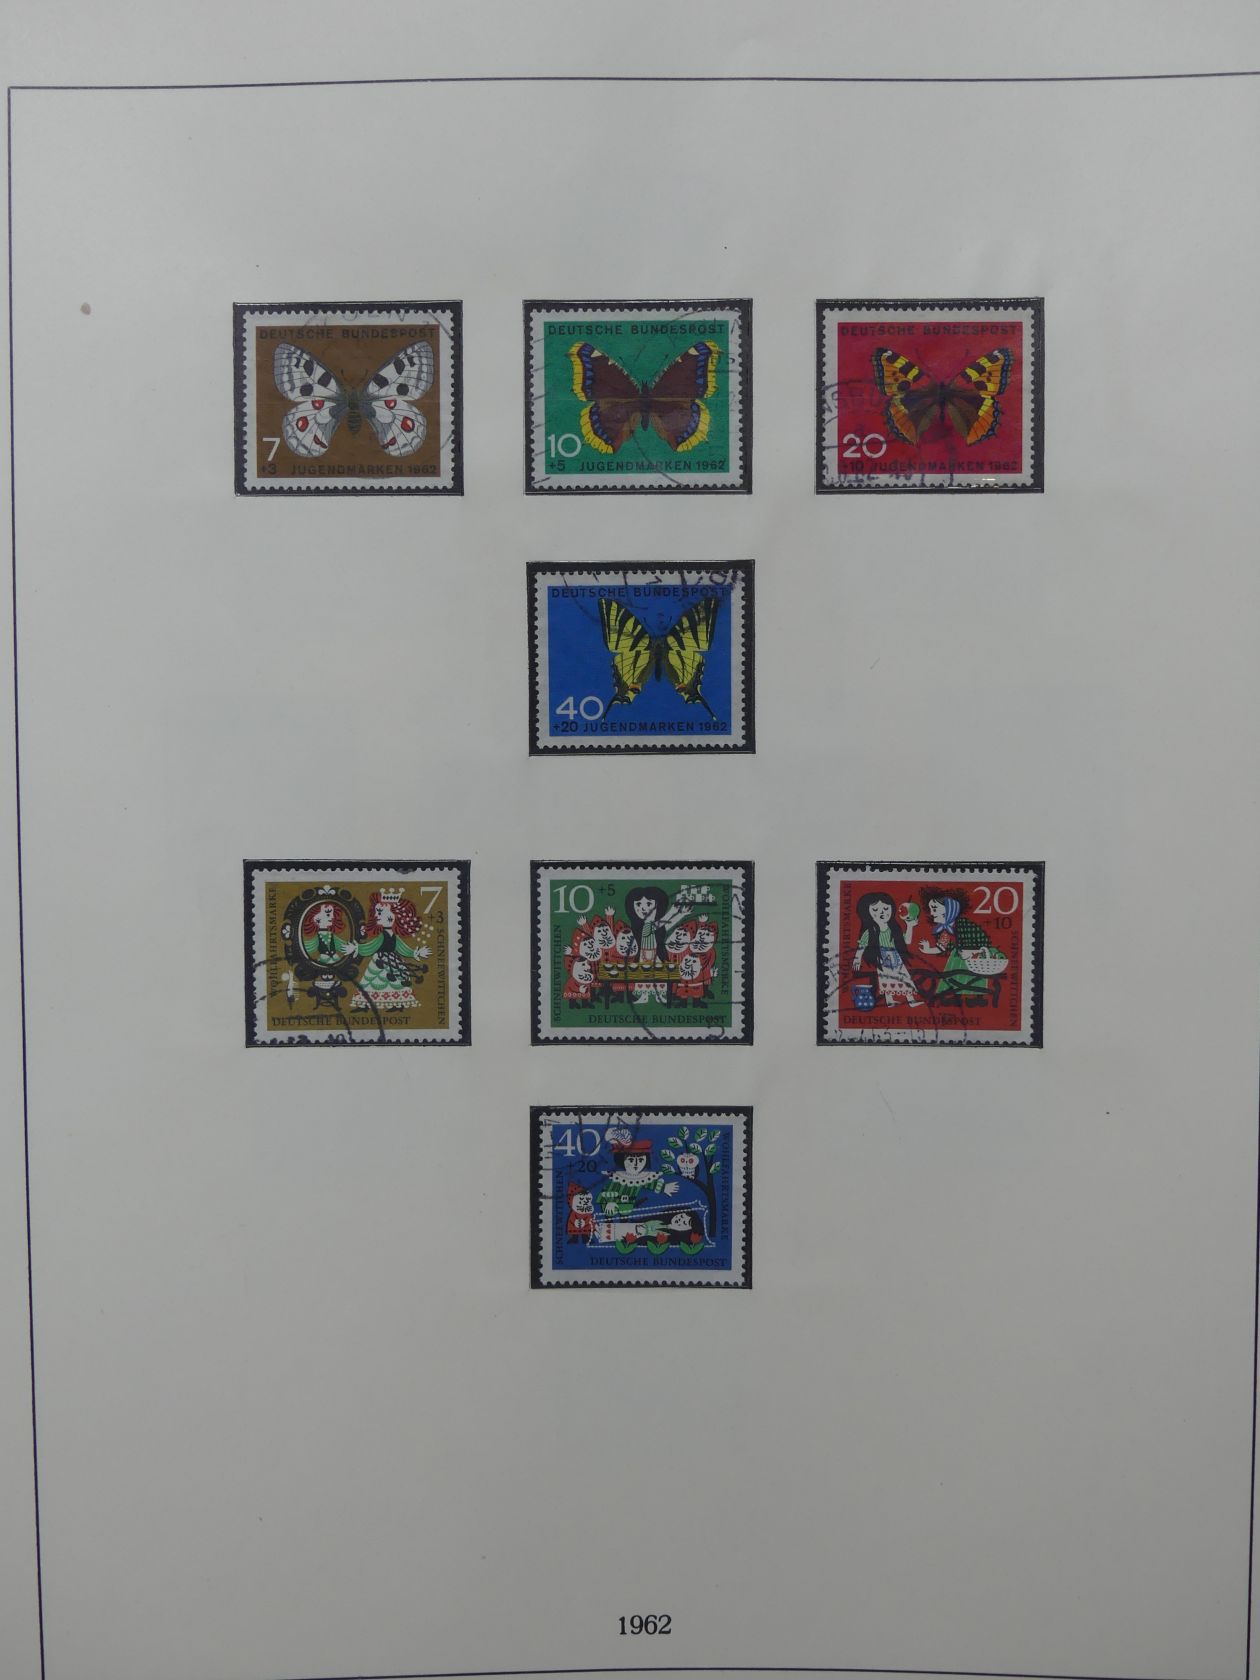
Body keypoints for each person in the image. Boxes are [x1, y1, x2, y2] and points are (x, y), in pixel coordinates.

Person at [352, 888, 430, 1010]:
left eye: (380, 912)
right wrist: (358, 948)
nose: (376, 916)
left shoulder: (391, 936)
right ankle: (368, 1005)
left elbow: (401, 948)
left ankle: (397, 1004)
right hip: (381, 961)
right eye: (376, 913)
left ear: (393, 916)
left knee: (397, 982)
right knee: (379, 982)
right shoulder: (383, 935)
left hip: (391, 961)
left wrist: (416, 952)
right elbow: (372, 946)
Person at [918, 889, 1001, 1001]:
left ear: (949, 910)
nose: (932, 913)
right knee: (952, 987)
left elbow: (984, 945)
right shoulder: (945, 930)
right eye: (931, 909)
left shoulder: (965, 925)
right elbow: (942, 947)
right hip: (955, 961)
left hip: (974, 962)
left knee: (972, 987)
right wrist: (927, 950)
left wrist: (972, 952)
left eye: (934, 909)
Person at [852, 891, 923, 1008]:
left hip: (896, 957)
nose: (882, 912)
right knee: (886, 979)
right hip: (882, 958)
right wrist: (857, 959)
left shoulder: (894, 928)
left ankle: (911, 1000)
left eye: (885, 909)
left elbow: (907, 941)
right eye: (875, 910)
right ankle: (889, 1001)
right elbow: (862, 945)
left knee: (904, 977)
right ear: (867, 913)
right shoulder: (870, 931)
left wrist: (909, 926)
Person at [300, 900, 356, 966]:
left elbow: (341, 946)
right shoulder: (316, 938)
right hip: (322, 963)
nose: (332, 917)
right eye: (328, 914)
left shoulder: (331, 935)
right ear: (316, 918)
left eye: (332, 914)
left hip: (336, 961)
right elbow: (307, 947)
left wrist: (352, 948)